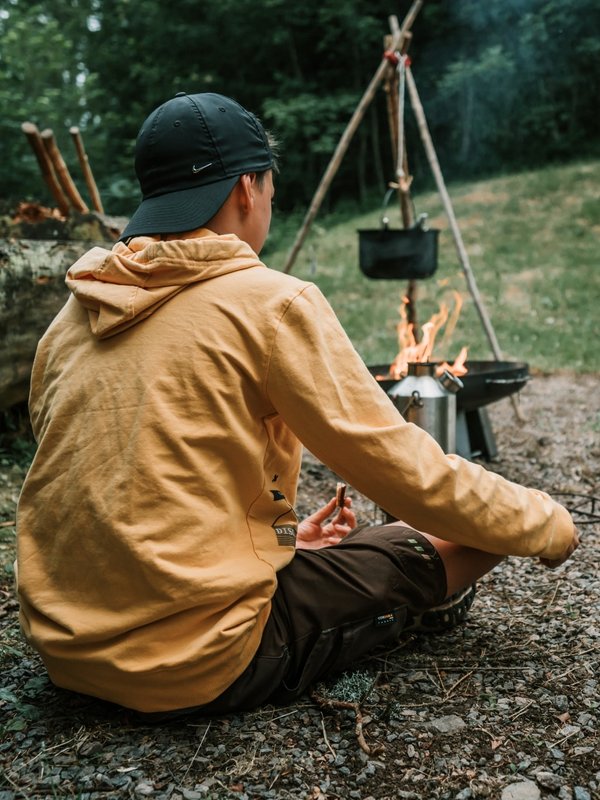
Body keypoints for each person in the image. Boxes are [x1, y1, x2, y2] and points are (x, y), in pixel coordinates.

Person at [16, 92, 579, 718]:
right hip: (191, 661)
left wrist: (283, 540)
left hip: (67, 649)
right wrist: (544, 520)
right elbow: (403, 471)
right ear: (246, 191)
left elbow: (118, 485)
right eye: (270, 193)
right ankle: (421, 602)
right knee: (459, 534)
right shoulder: (269, 303)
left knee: (414, 529)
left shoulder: (71, 316)